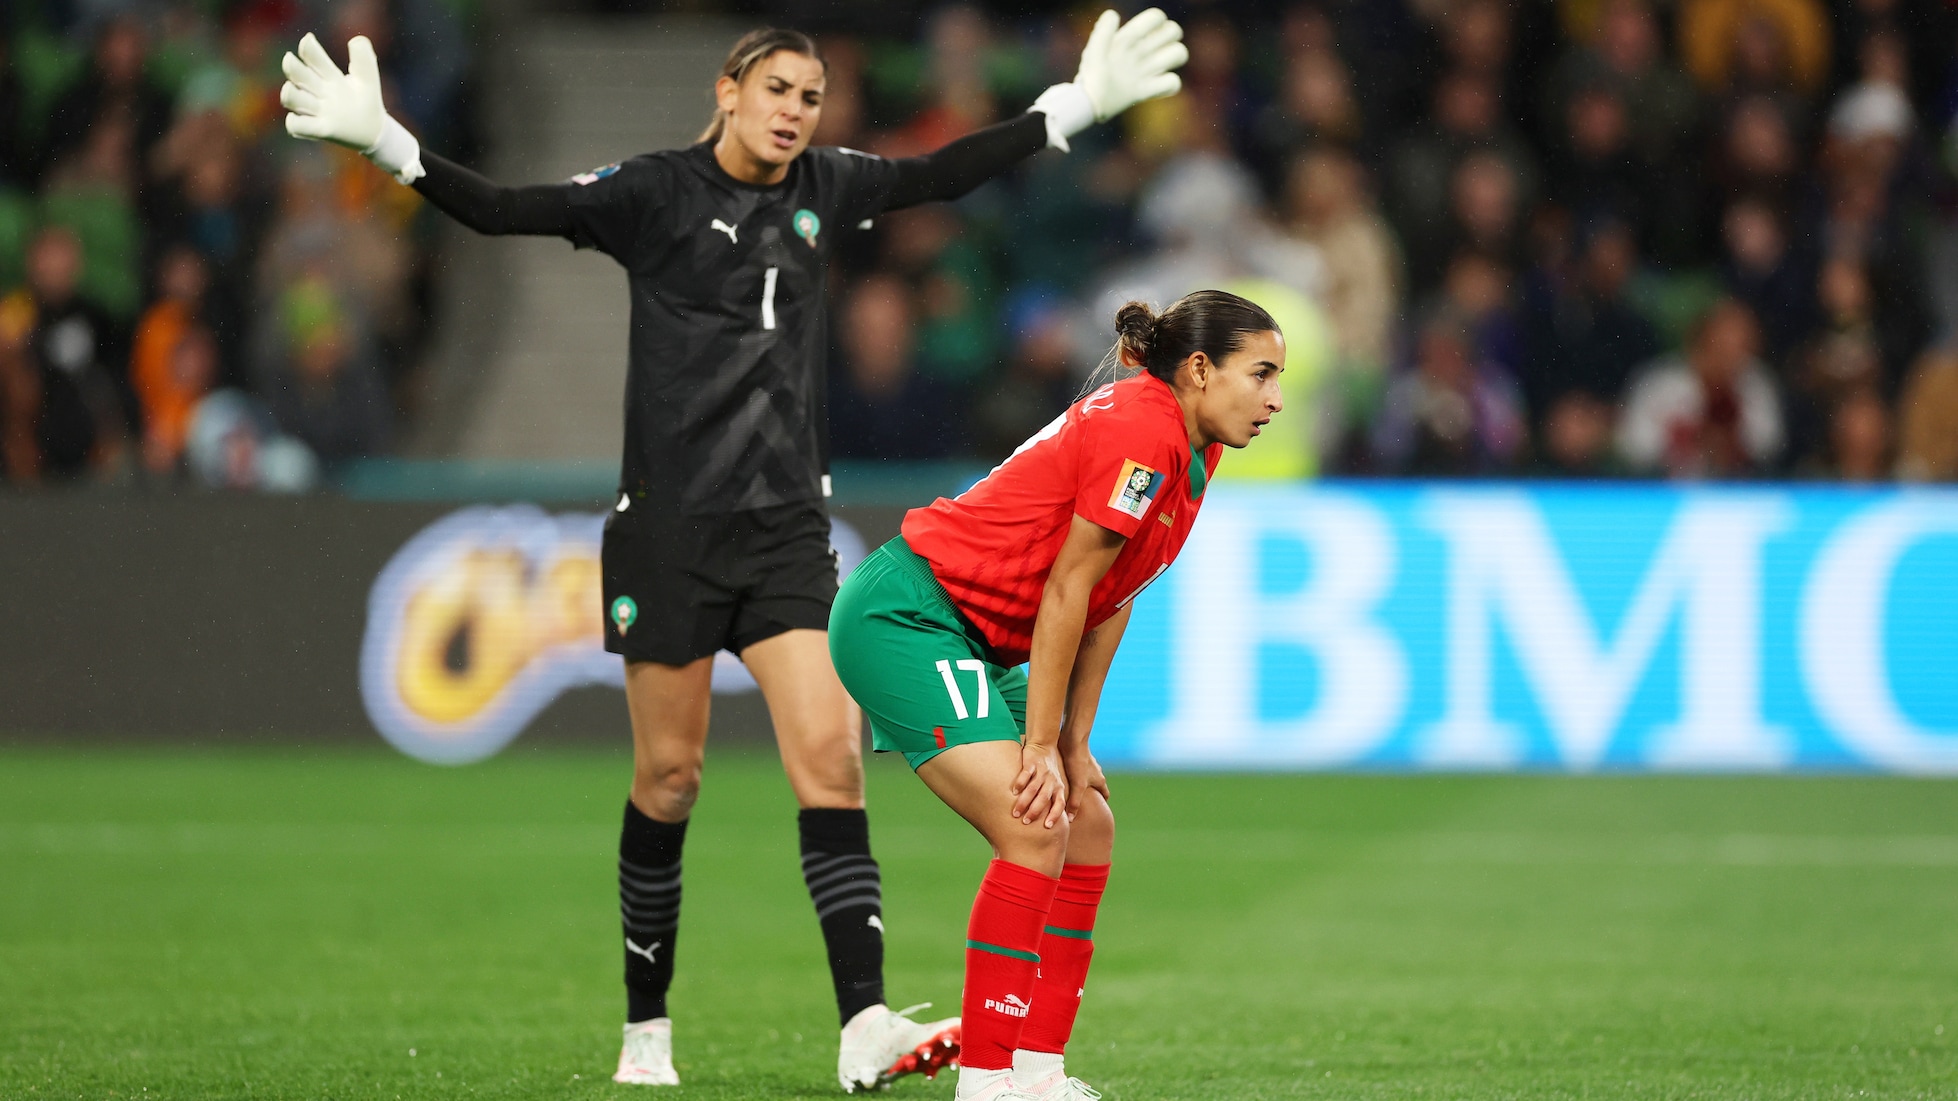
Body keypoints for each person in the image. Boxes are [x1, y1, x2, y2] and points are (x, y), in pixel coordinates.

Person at [277, 13, 1189, 1092]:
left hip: (787, 530)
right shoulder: (650, 192)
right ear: (727, 91)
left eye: (810, 96)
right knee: (669, 779)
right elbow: (505, 210)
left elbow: (942, 174)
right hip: (667, 528)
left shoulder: (825, 187)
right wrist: (389, 146)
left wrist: (1069, 108)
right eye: (778, 91)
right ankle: (645, 1031)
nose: (796, 112)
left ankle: (862, 1024)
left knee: (830, 759)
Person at [828, 291, 1284, 1101]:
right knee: (1034, 821)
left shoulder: (1191, 445)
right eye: (1262, 373)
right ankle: (987, 1078)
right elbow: (1070, 587)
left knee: (1088, 820)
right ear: (1202, 369)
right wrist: (1039, 745)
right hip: (911, 614)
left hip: (976, 630)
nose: (1275, 398)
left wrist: (1073, 744)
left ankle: (1036, 1069)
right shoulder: (1144, 430)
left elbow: (1115, 591)